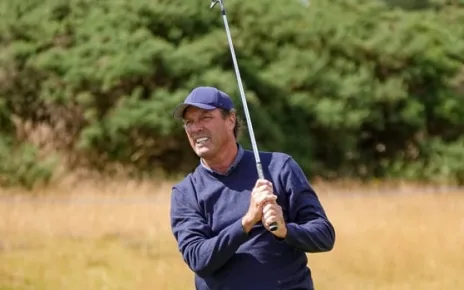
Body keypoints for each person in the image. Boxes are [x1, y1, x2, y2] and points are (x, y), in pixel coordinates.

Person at [169, 86, 336, 290]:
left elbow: (324, 236)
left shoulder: (279, 167)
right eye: (189, 122)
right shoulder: (186, 192)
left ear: (230, 120)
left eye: (205, 118)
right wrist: (246, 222)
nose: (195, 128)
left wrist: (285, 231)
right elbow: (198, 259)